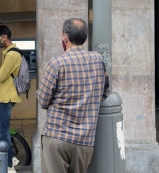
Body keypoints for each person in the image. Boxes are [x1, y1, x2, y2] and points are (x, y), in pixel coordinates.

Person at [36, 18, 109, 173]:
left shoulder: (56, 64)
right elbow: (104, 91)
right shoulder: (98, 60)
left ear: (65, 36)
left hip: (57, 136)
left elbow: (43, 100)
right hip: (85, 140)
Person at [0, 25, 21, 173]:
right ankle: (11, 158)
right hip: (4, 96)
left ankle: (8, 166)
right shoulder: (7, 53)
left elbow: (0, 76)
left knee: (3, 131)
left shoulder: (12, 55)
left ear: (4, 37)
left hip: (7, 97)